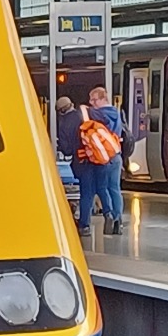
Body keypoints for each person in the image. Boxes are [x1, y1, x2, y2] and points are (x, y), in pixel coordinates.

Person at [55, 96, 113, 237]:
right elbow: (105, 122)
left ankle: (84, 226)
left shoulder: (63, 124)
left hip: (82, 162)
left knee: (86, 193)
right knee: (102, 188)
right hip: (99, 157)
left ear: (61, 111)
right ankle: (109, 213)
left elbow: (67, 150)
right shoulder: (87, 111)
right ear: (72, 104)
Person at [88, 86, 125, 235]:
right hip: (116, 155)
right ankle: (118, 220)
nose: (91, 103)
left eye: (94, 99)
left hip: (102, 156)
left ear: (104, 99)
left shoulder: (100, 115)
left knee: (102, 187)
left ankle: (108, 214)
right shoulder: (116, 113)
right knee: (115, 188)